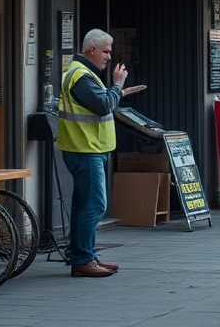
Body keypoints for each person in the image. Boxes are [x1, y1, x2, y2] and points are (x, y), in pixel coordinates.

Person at [57, 28, 140, 278]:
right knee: (95, 204)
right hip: (86, 149)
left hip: (85, 148)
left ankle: (84, 254)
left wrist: (117, 92)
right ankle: (83, 259)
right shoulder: (81, 75)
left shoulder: (82, 73)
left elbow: (100, 103)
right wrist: (117, 87)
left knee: (84, 203)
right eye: (105, 51)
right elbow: (103, 105)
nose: (108, 56)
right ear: (91, 50)